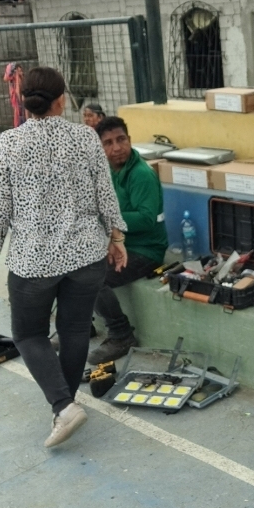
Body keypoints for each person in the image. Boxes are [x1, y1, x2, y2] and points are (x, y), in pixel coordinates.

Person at [0, 67, 127, 449]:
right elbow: (105, 193)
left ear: (24, 101)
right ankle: (66, 404)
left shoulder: (7, 143)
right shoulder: (86, 137)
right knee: (74, 330)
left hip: (34, 261)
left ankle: (63, 406)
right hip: (86, 255)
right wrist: (116, 237)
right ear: (61, 100)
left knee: (28, 334)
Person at [87, 115, 168, 365]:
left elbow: (146, 219)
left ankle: (121, 335)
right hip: (117, 243)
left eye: (121, 139)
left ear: (130, 140)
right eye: (108, 142)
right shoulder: (105, 171)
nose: (117, 148)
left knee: (92, 278)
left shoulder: (141, 174)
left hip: (146, 250)